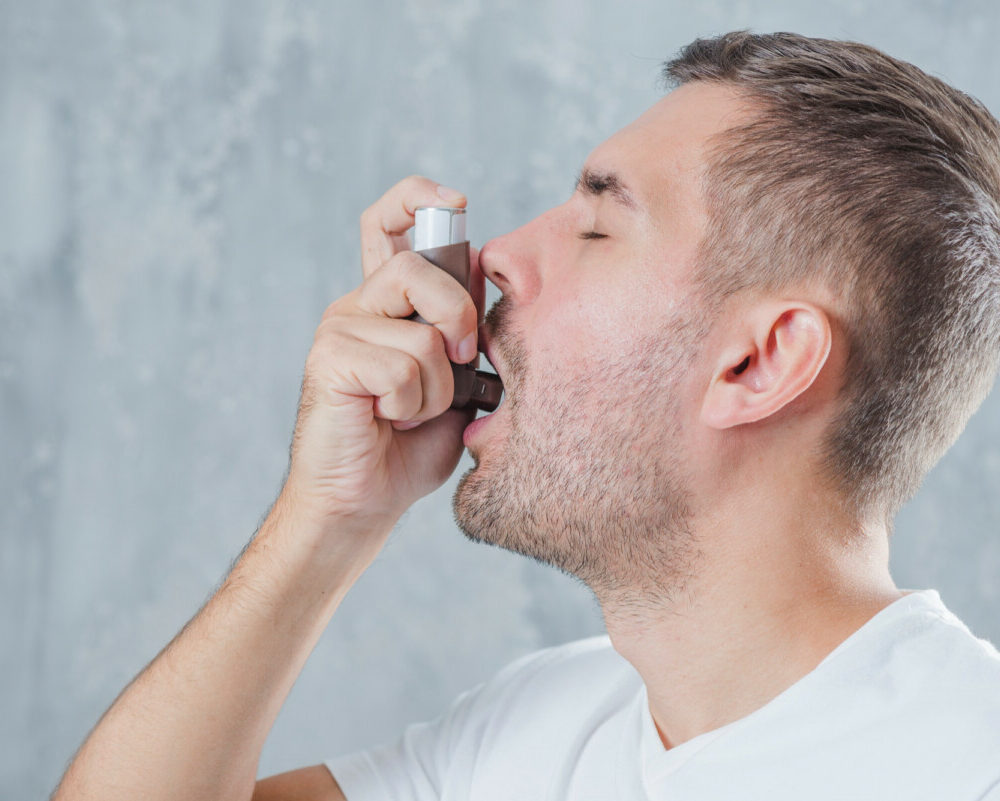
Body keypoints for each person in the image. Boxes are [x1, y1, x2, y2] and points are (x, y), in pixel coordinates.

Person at [53, 30, 1000, 801]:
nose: (497, 254)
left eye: (596, 226)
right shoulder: (538, 728)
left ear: (758, 361)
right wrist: (330, 517)